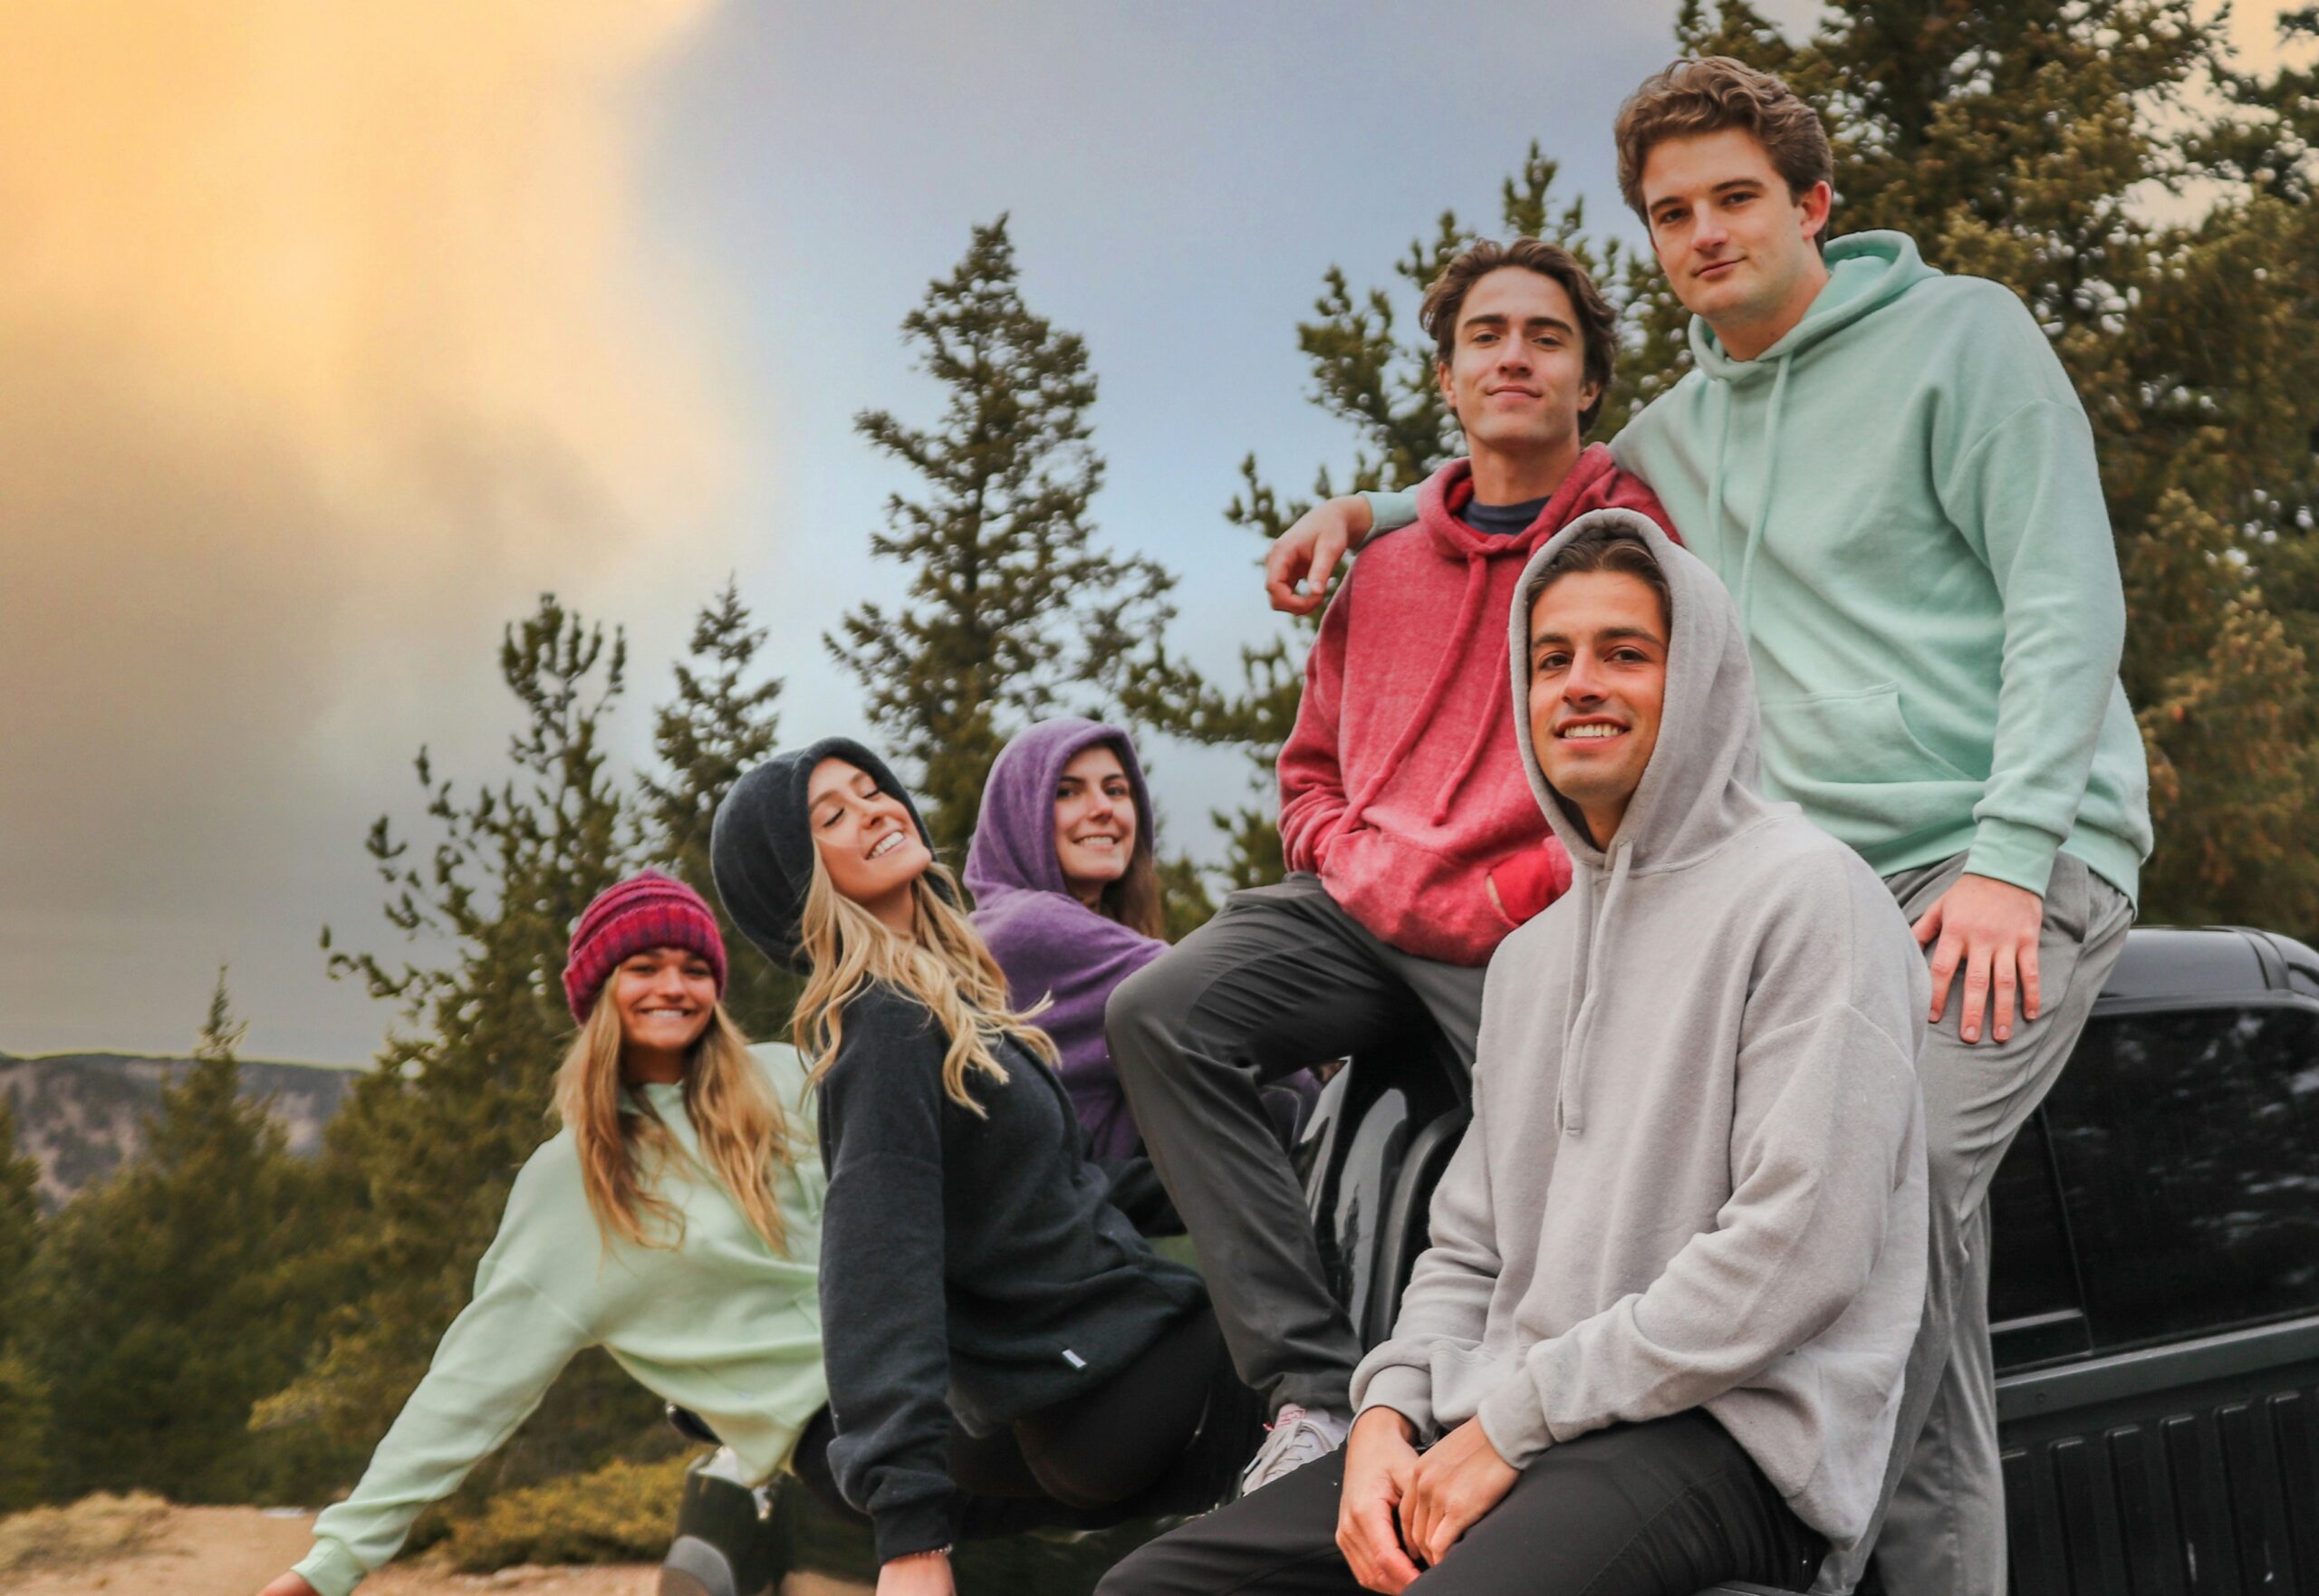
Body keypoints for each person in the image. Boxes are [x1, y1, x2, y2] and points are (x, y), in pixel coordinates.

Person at [1265, 59, 2150, 1595]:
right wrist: (1368, 520)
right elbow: (1516, 488)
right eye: (1672, 214)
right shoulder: (1670, 437)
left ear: (1814, 203)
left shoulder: (1965, 341)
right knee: (1713, 1221)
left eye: (1736, 197)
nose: (1704, 233)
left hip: (1998, 866)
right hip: (1807, 893)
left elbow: (2067, 596)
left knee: (1891, 1200)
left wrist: (2016, 857)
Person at [1099, 512, 1929, 1596]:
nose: (1580, 682)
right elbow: (1469, 1248)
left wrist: (1514, 1420)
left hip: (1724, 1434)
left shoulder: (1811, 894)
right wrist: (1385, 1417)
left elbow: (1795, 1249)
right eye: (1550, 659)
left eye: (1623, 652)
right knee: (1152, 1590)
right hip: (1505, 1415)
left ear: (1703, 679)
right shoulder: (1528, 959)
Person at [1107, 239, 1672, 1496]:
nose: (1513, 354)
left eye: (1545, 336)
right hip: (1357, 910)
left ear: (1588, 383)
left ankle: (1559, 1444)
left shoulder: (1632, 536)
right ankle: (1309, 1397)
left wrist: (1516, 889)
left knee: (1583, 1169)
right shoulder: (1385, 564)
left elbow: (1665, 745)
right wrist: (1346, 856)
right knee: (1159, 1010)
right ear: (1450, 377)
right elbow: (1307, 770)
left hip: (1531, 922)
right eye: (1486, 336)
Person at [709, 738, 1254, 1596]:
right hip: (1107, 1386)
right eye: (833, 816)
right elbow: (879, 1266)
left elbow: (1057, 1191)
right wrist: (908, 1537)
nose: (877, 809)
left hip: (1097, 1387)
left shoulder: (945, 999)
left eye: (872, 789)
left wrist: (1240, 1169)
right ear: (796, 881)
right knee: (1357, 1361)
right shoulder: (880, 1025)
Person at [257, 872, 825, 1596]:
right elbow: (470, 1384)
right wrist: (329, 1564)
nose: (674, 987)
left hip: (928, 1364)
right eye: (644, 969)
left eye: (695, 968)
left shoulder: (788, 1079)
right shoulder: (576, 1183)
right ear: (599, 996)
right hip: (835, 1437)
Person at [962, 717, 1171, 1158]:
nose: (1103, 809)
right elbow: (1216, 988)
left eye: (1116, 790)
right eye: (1067, 792)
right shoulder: (1025, 927)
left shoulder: (1001, 922)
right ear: (1018, 813)